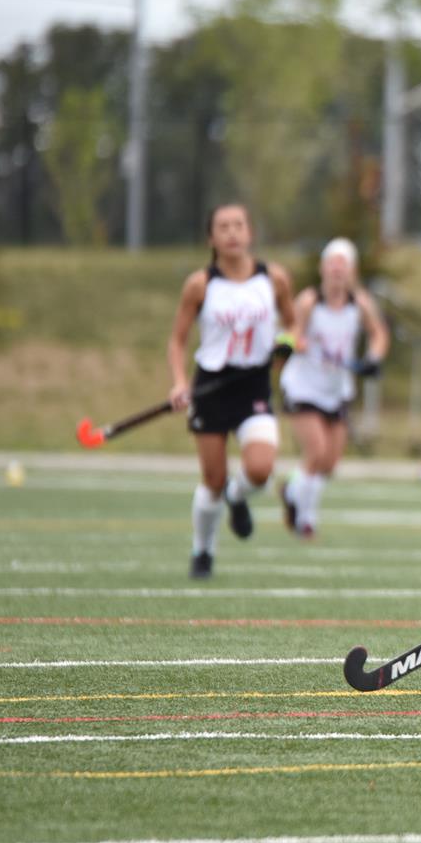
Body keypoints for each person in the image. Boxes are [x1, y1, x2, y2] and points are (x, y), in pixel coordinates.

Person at [166, 202, 298, 579]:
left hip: (253, 385)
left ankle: (237, 498)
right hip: (211, 387)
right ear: (212, 237)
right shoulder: (200, 285)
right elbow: (177, 341)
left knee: (260, 469)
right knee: (212, 479)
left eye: (238, 225)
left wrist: (286, 343)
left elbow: (293, 324)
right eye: (223, 227)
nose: (232, 233)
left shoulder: (273, 279)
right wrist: (179, 382)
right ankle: (202, 552)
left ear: (250, 232)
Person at [278, 238, 390, 540]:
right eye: (332, 263)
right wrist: (292, 343)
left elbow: (379, 335)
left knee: (329, 462)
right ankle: (306, 519)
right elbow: (291, 335)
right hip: (304, 386)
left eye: (344, 264)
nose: (337, 270)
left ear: (352, 270)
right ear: (323, 268)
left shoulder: (360, 304)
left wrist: (373, 359)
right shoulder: (309, 301)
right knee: (316, 451)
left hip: (337, 388)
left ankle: (292, 488)